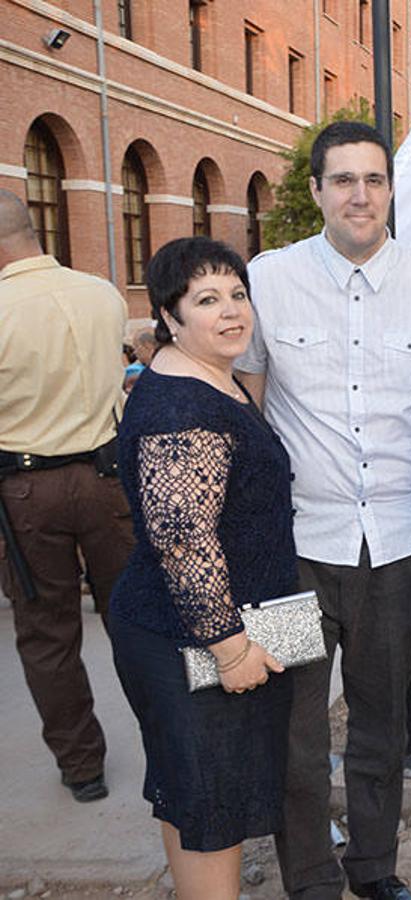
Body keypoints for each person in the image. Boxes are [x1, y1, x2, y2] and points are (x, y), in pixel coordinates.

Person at [235, 120, 411, 900]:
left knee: (381, 725)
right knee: (293, 730)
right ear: (316, 192)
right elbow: (246, 405)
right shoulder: (267, 280)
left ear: (391, 189)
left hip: (394, 550)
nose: (359, 195)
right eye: (342, 180)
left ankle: (374, 869)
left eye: (373, 179)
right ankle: (309, 880)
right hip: (290, 553)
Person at [108, 237, 298, 897]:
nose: (230, 312)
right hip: (191, 636)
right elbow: (180, 536)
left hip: (223, 624)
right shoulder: (182, 406)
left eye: (237, 295)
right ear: (169, 315)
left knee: (197, 797)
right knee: (211, 806)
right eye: (206, 299)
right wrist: (231, 647)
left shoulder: (213, 377)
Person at [0, 187, 134, 804]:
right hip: (107, 478)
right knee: (134, 616)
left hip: (27, 490)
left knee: (48, 632)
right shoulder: (103, 294)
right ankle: (171, 733)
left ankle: (83, 767)